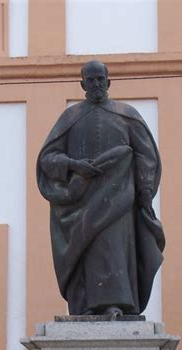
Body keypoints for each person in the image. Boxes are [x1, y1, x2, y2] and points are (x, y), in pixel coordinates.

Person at [37, 60, 165, 317]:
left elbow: (146, 156)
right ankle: (85, 306)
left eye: (100, 79)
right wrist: (74, 165)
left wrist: (145, 192)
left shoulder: (126, 115)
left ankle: (114, 304)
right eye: (91, 80)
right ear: (82, 84)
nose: (96, 84)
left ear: (109, 82)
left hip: (119, 199)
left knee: (113, 249)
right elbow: (48, 159)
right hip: (80, 201)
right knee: (85, 252)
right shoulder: (71, 118)